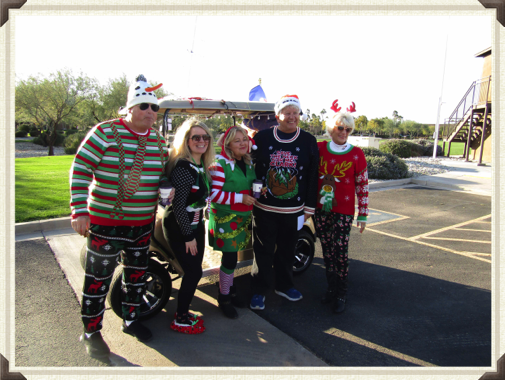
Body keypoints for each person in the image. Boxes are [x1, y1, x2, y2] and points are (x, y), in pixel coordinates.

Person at [70, 74, 169, 359]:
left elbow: (163, 176)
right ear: (129, 108)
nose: (150, 112)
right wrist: (79, 211)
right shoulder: (104, 132)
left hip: (141, 226)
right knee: (97, 279)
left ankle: (130, 320)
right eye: (144, 106)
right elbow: (80, 169)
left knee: (136, 277)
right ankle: (91, 332)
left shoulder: (160, 143)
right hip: (104, 225)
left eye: (154, 108)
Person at [250, 95, 319, 310]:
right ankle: (259, 290)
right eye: (286, 112)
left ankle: (284, 285)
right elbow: (246, 161)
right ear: (277, 115)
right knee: (263, 250)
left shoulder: (308, 140)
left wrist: (309, 207)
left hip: (294, 210)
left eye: (295, 113)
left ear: (299, 115)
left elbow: (312, 174)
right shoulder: (261, 138)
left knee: (287, 250)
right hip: (264, 208)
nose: (291, 117)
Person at [315, 100, 369, 314]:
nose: (344, 132)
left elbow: (362, 186)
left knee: (340, 251)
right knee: (327, 251)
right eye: (340, 128)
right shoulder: (319, 148)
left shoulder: (357, 154)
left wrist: (363, 214)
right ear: (331, 128)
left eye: (348, 129)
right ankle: (331, 288)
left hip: (344, 211)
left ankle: (341, 293)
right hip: (321, 209)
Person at [163, 118, 215, 334]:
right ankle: (181, 318)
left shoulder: (199, 164)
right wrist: (188, 236)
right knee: (193, 273)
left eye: (205, 137)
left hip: (194, 225)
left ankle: (183, 312)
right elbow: (178, 208)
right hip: (181, 226)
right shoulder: (184, 167)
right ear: (186, 140)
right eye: (196, 137)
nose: (201, 141)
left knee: (195, 271)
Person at [208, 126, 257, 319]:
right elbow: (214, 195)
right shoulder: (220, 164)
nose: (243, 143)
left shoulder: (248, 162)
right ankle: (224, 297)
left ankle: (229, 289)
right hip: (226, 218)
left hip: (243, 217)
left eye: (244, 139)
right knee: (229, 259)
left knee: (233, 258)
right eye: (237, 140)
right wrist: (240, 198)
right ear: (227, 144)